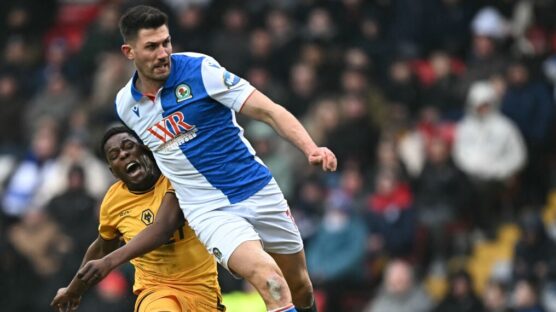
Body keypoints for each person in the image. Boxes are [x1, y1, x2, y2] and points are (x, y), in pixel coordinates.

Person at [110, 5, 337, 312]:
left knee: (300, 286)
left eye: (166, 43)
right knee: (270, 280)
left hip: (256, 187)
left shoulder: (201, 71)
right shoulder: (126, 105)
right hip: (208, 209)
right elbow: (158, 158)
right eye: (151, 46)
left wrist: (311, 148)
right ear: (129, 51)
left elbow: (269, 110)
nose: (163, 53)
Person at [50, 127, 223, 312]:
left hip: (204, 294)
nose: (123, 154)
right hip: (156, 292)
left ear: (145, 149)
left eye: (128, 146)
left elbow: (163, 228)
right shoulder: (113, 201)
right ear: (113, 171)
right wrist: (74, 289)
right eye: (114, 155)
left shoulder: (175, 177)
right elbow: (102, 246)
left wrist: (109, 262)